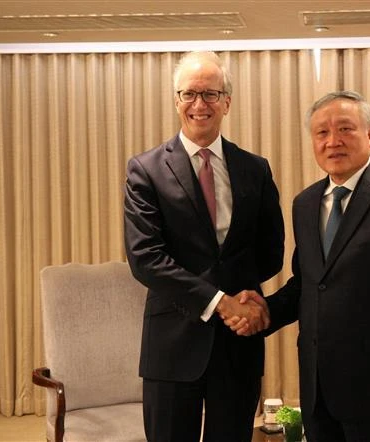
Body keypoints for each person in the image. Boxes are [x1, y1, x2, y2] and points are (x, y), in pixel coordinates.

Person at [229, 91, 370, 441]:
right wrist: (263, 311)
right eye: (322, 133)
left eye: (345, 129)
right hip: (318, 392)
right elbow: (308, 284)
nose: (333, 142)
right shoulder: (305, 203)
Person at [123, 51, 284, 442]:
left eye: (211, 94)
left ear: (227, 102)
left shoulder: (255, 168)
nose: (200, 104)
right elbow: (146, 259)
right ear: (176, 101)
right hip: (173, 344)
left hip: (238, 342)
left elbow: (271, 250)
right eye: (190, 94)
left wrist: (241, 304)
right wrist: (219, 302)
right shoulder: (145, 169)